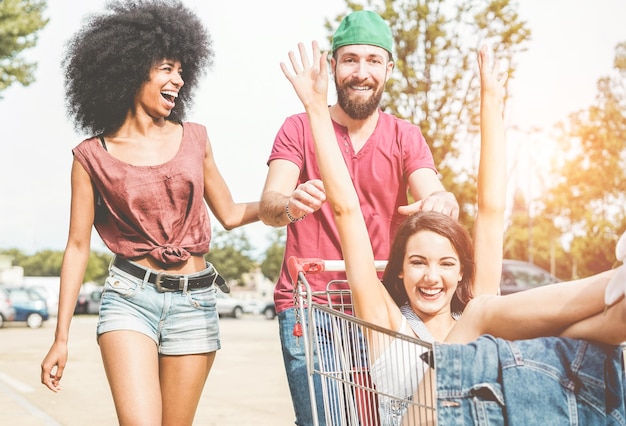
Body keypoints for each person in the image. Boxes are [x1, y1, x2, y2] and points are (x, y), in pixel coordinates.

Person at [282, 38, 626, 424]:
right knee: (482, 314)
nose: (432, 276)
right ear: (398, 270)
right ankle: (616, 278)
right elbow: (345, 210)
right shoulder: (387, 321)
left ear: (461, 271)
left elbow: (492, 211)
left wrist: (491, 102)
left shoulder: (472, 310)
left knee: (605, 328)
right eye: (417, 262)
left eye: (446, 263)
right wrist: (315, 107)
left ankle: (618, 289)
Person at [39, 1, 259, 425]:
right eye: (166, 68)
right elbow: (77, 247)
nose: (178, 80)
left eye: (181, 71)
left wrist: (283, 207)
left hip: (194, 301)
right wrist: (60, 338)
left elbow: (230, 213)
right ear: (130, 67)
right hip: (128, 298)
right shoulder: (90, 157)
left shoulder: (196, 137)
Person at [259, 10, 459, 424]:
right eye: (350, 60)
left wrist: (441, 200)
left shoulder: (406, 136)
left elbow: (431, 189)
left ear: (388, 68)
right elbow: (269, 206)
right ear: (333, 66)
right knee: (325, 418)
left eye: (372, 60)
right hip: (314, 304)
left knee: (384, 416)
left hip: (380, 304)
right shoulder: (299, 128)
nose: (360, 71)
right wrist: (291, 203)